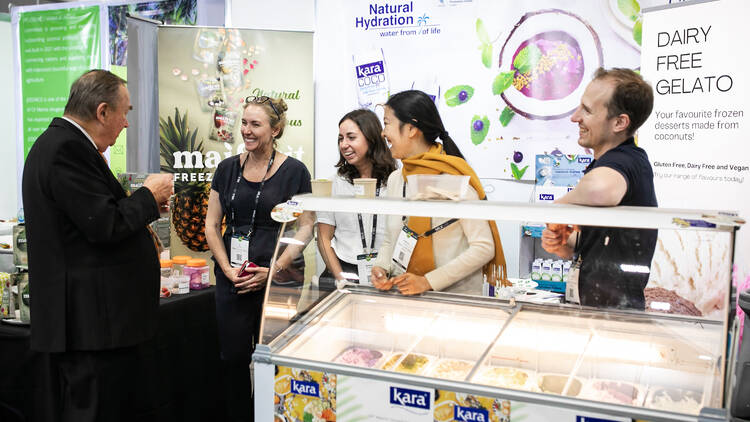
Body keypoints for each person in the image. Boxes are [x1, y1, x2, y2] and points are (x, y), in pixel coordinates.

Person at [21, 69, 174, 421]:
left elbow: (94, 217)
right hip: (89, 324)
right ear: (102, 112)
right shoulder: (65, 149)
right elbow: (104, 224)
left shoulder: (65, 146)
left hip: (95, 323)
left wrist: (142, 206)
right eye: (126, 112)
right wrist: (148, 197)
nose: (127, 124)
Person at [205, 95, 312, 421]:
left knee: (274, 358)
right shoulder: (226, 169)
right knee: (233, 359)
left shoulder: (294, 172)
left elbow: (306, 226)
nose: (247, 131)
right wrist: (226, 268)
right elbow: (211, 224)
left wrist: (274, 269)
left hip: (279, 281)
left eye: (256, 124)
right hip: (234, 279)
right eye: (244, 123)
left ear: (275, 129)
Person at [370, 90, 509, 295]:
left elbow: (483, 247)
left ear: (410, 128)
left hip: (455, 303)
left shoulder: (455, 179)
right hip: (407, 297)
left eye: (387, 123)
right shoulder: (396, 180)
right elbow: (391, 238)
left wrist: (428, 281)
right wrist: (381, 267)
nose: (383, 132)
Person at [541, 67, 657, 310]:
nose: (575, 117)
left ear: (619, 122)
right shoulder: (603, 162)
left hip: (616, 318)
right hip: (593, 309)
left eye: (587, 110)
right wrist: (565, 242)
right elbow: (604, 245)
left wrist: (559, 208)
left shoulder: (627, 160)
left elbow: (600, 190)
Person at [316, 109, 397, 285]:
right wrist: (341, 279)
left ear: (371, 137)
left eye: (351, 137)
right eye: (340, 139)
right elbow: (323, 238)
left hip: (386, 274)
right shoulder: (335, 183)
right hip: (342, 270)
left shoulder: (395, 181)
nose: (344, 145)